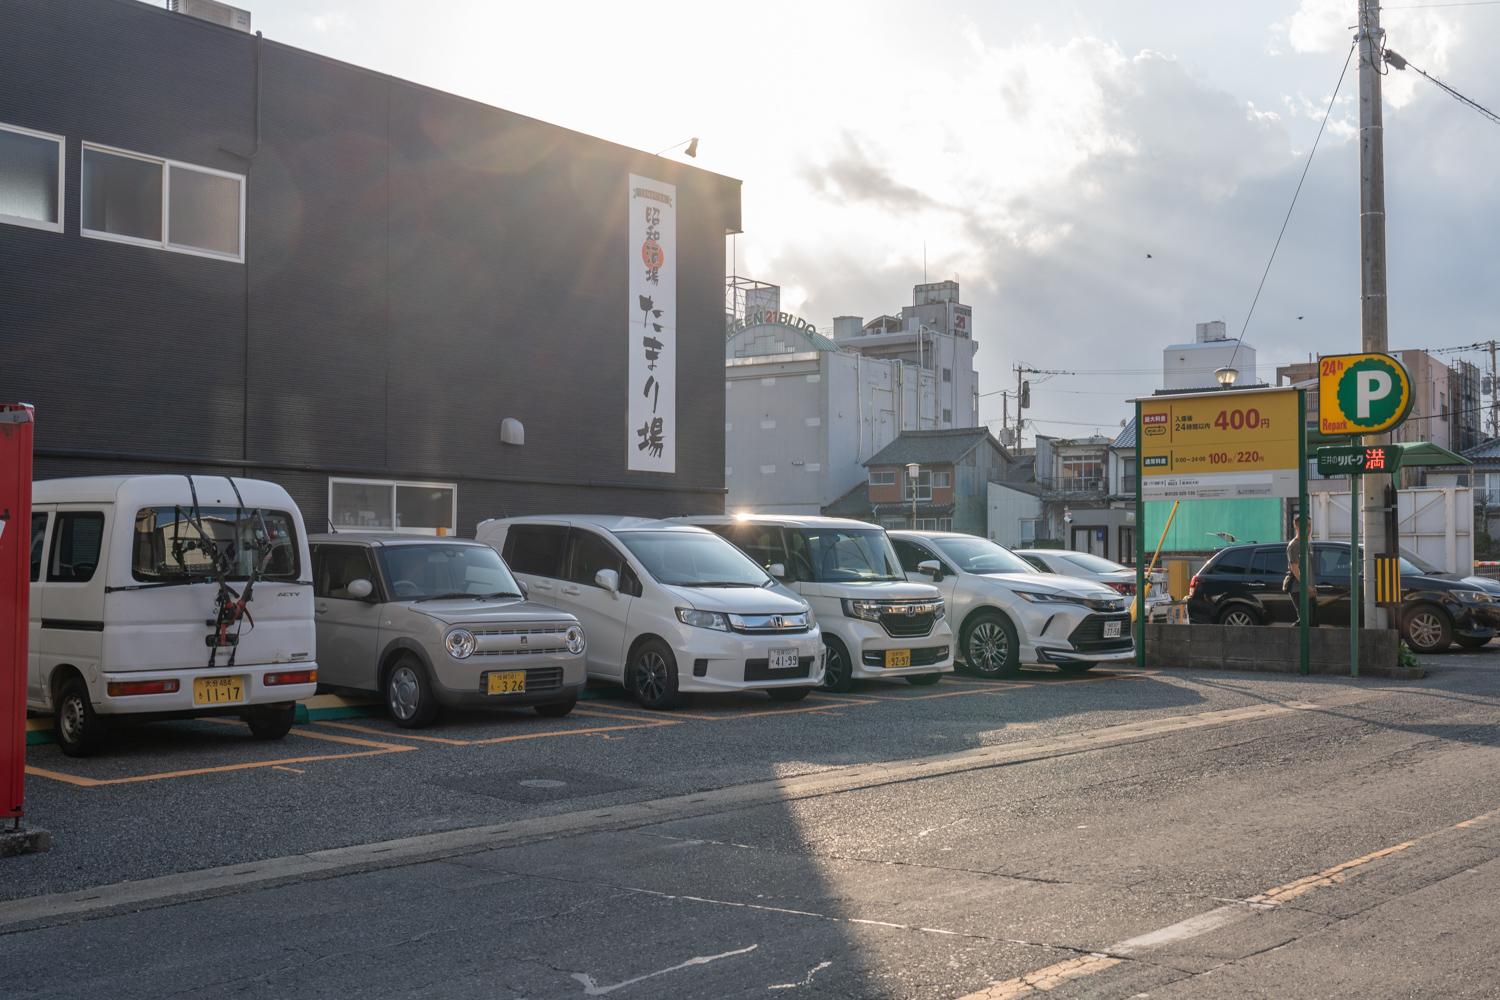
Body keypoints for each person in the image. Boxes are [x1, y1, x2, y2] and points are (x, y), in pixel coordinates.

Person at [1285, 519, 1308, 626]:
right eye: (1306, 525)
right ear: (1296, 527)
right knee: (1303, 620)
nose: (1308, 528)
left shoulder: (1306, 543)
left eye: (1310, 525)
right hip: (1297, 587)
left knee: (1311, 619)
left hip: (1306, 587)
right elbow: (1294, 568)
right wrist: (1306, 586)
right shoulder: (1293, 545)